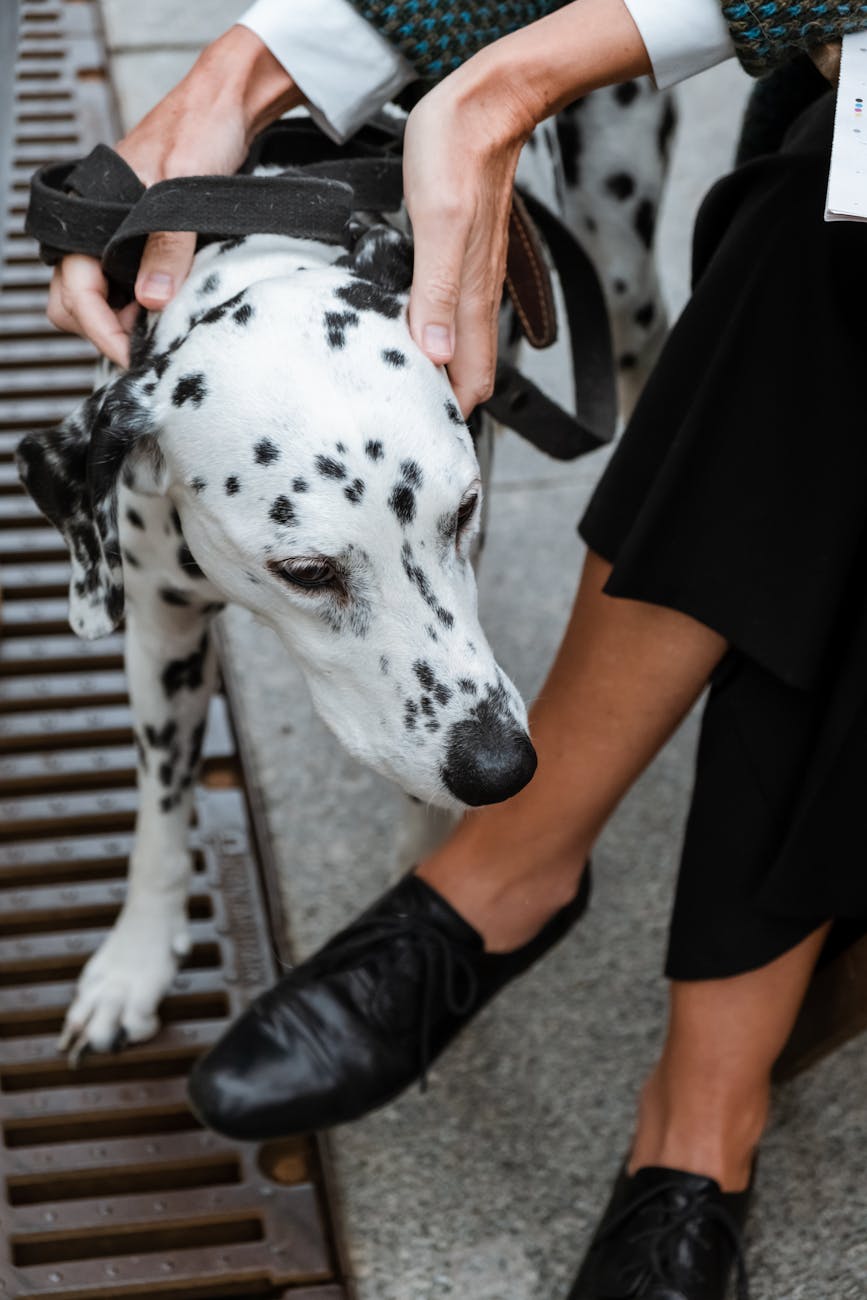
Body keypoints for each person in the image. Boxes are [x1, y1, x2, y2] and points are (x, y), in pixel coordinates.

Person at [46, 3, 867, 1296]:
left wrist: (512, 92)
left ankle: (666, 1082)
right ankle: (518, 886)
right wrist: (256, 63)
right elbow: (160, 613)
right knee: (833, 248)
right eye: (314, 569)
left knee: (741, 301)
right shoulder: (155, 425)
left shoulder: (406, 365)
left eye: (459, 497)